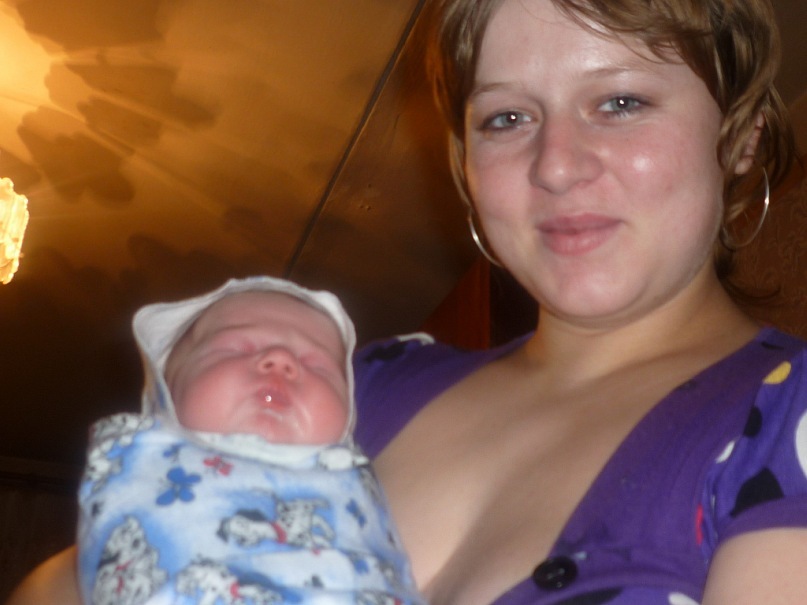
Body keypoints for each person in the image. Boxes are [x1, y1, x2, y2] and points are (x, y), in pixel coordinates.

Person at [7, 0, 807, 604]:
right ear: (465, 167)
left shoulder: (785, 421)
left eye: (620, 102)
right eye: (506, 117)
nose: (555, 165)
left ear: (741, 134)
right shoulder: (352, 381)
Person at [75, 276, 424, 605]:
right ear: (167, 395)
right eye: (234, 349)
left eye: (317, 365)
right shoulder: (140, 462)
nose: (281, 359)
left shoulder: (354, 481)